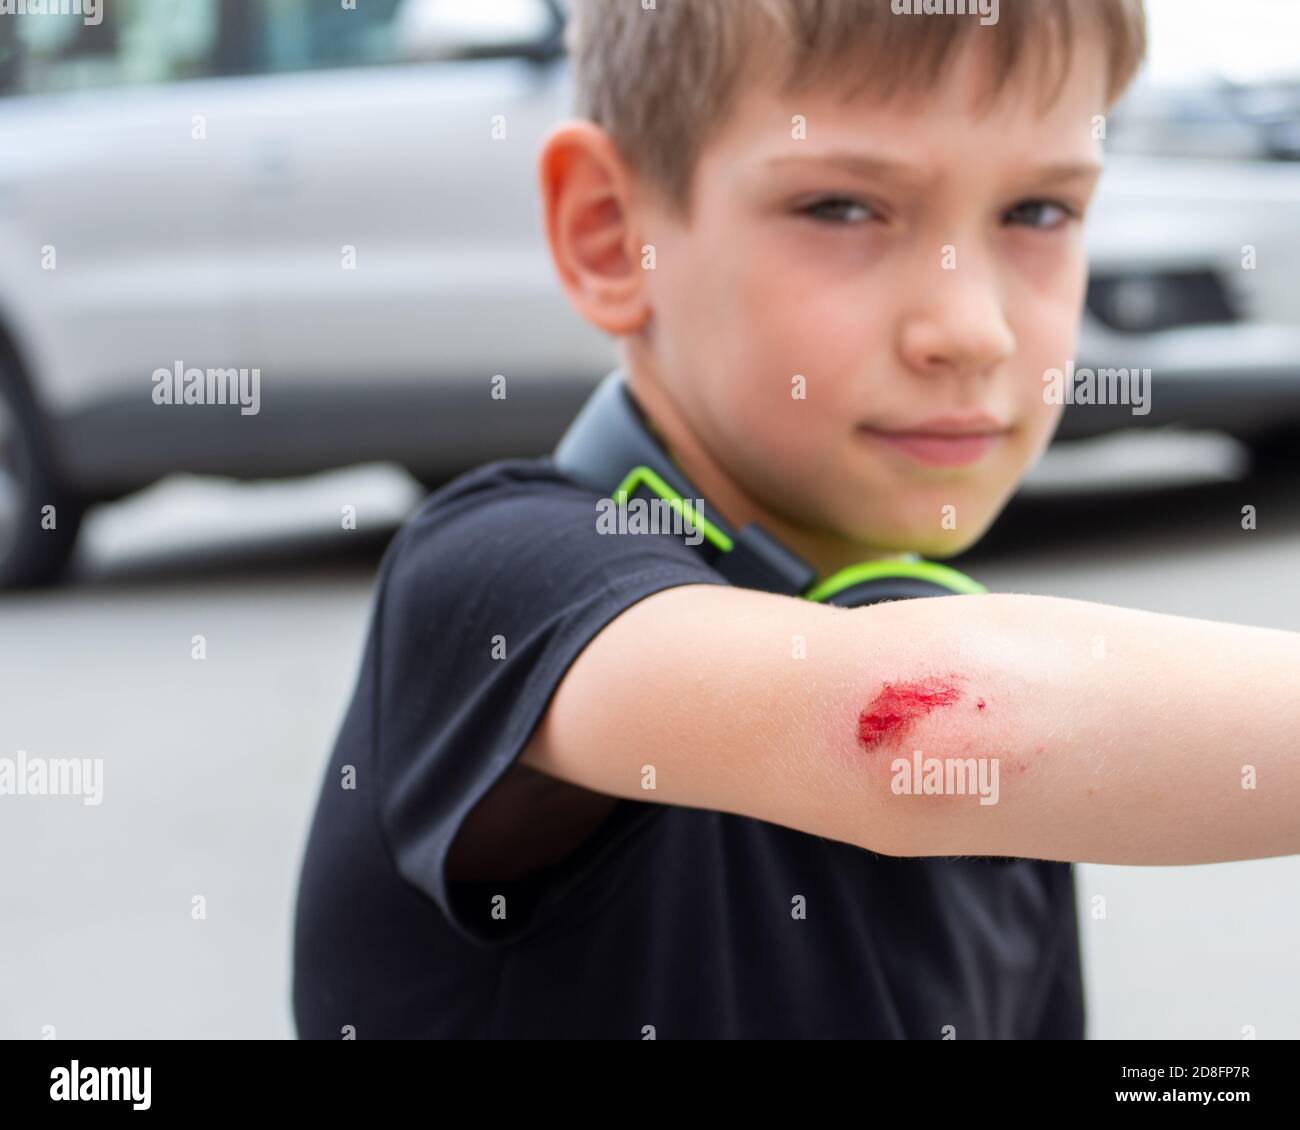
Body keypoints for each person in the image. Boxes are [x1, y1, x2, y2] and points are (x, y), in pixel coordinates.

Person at [292, 0, 1299, 1039]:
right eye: (842, 207)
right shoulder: (500, 574)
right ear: (609, 230)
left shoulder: (961, 675)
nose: (969, 327)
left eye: (1037, 212)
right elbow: (918, 728)